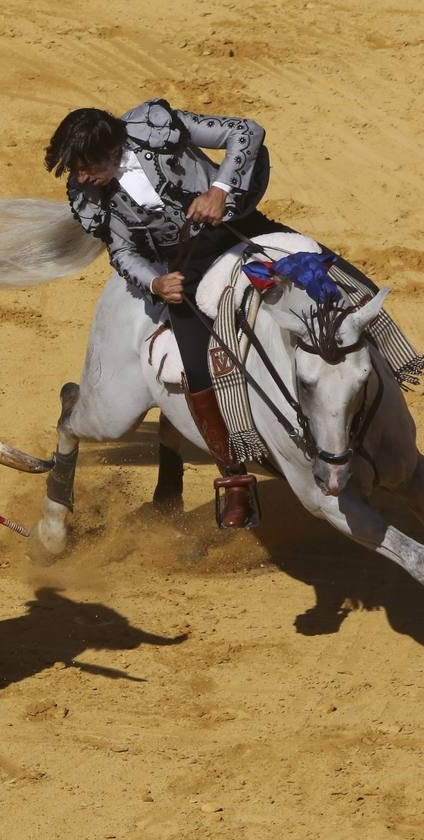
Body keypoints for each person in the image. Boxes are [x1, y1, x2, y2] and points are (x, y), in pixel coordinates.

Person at [45, 99, 282, 529]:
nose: (80, 178)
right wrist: (155, 283)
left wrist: (219, 189)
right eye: (75, 170)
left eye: (84, 166)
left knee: (321, 267)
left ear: (112, 148)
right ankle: (234, 481)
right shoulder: (89, 194)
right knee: (195, 361)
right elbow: (121, 249)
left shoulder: (154, 125)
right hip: (181, 266)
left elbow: (245, 131)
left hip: (233, 228)